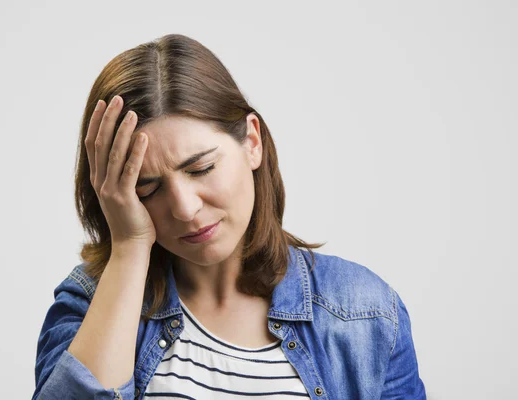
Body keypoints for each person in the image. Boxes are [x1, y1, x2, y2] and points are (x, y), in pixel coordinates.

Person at [32, 33, 426, 400]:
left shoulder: (364, 312)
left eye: (201, 169)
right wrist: (130, 247)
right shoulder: (89, 303)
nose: (185, 208)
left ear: (251, 142)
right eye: (147, 189)